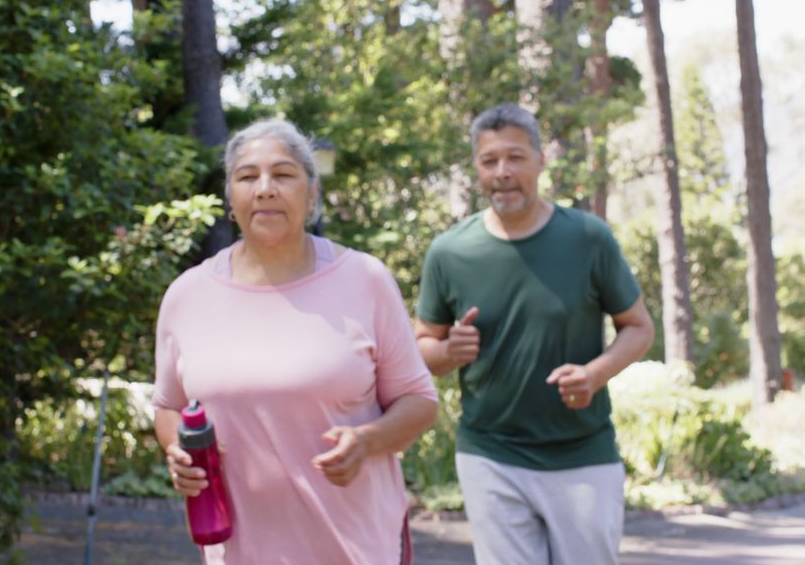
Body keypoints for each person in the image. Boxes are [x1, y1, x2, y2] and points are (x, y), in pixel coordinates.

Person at [152, 119, 438, 564]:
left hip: (358, 547)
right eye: (247, 177)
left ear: (312, 193)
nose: (265, 188)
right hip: (239, 551)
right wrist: (178, 451)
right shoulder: (188, 295)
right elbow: (169, 405)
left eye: (283, 174)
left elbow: (420, 401)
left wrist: (367, 440)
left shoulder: (364, 279)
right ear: (231, 198)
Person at [414, 103, 655, 565]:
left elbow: (639, 327)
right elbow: (424, 347)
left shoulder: (588, 238)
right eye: (489, 161)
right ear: (477, 169)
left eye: (515, 158)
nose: (502, 172)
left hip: (582, 453)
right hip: (490, 452)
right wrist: (448, 350)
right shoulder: (450, 252)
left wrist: (595, 374)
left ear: (540, 161)